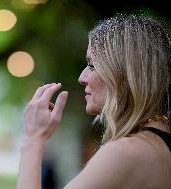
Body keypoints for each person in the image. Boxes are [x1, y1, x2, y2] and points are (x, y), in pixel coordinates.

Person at [17, 14, 171, 189]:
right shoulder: (159, 142)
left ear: (126, 72)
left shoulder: (125, 152)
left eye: (92, 64)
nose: (82, 78)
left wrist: (32, 139)